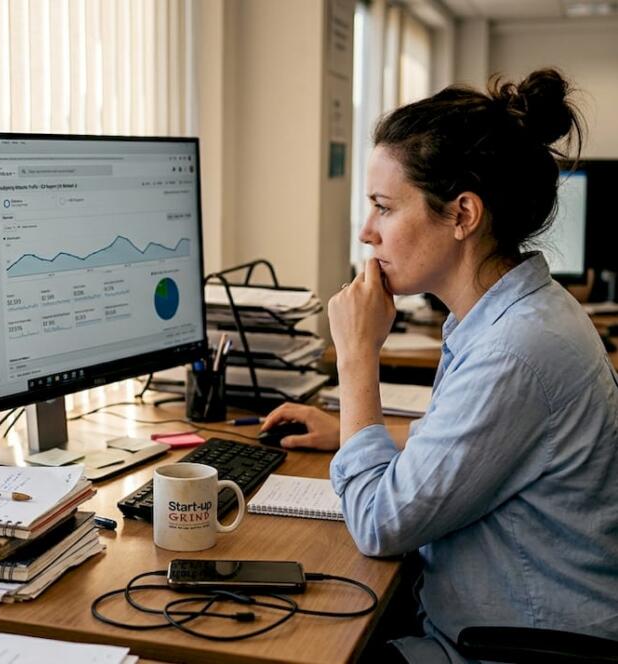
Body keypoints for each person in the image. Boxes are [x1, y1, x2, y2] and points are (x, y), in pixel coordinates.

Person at [263, 68, 618, 663]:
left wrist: (357, 361)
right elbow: (486, 440)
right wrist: (362, 432)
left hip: (514, 649)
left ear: (462, 215)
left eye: (383, 208)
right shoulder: (516, 313)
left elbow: (378, 523)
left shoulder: (516, 351)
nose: (366, 233)